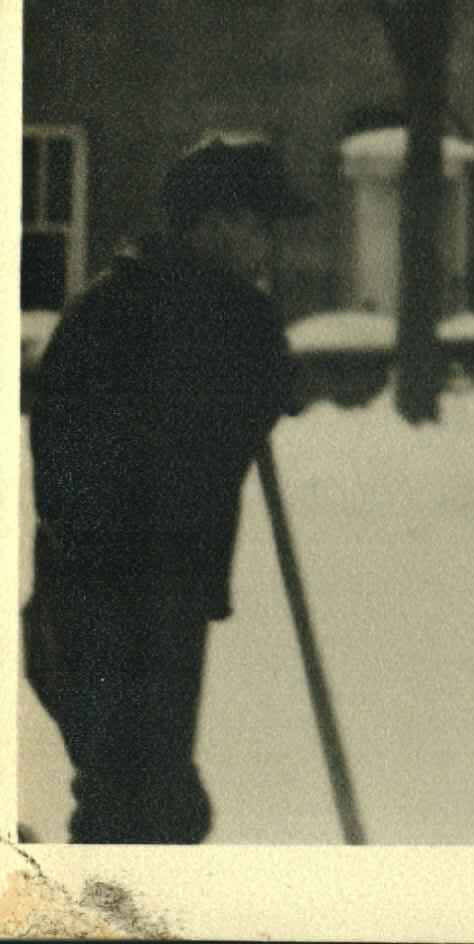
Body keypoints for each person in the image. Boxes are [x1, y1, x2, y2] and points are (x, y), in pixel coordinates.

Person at [22, 134, 309, 843]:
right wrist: (257, 342)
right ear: (211, 223)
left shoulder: (140, 304)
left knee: (142, 806)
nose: (267, 247)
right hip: (114, 612)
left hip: (117, 608)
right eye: (257, 225)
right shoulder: (166, 314)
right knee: (143, 811)